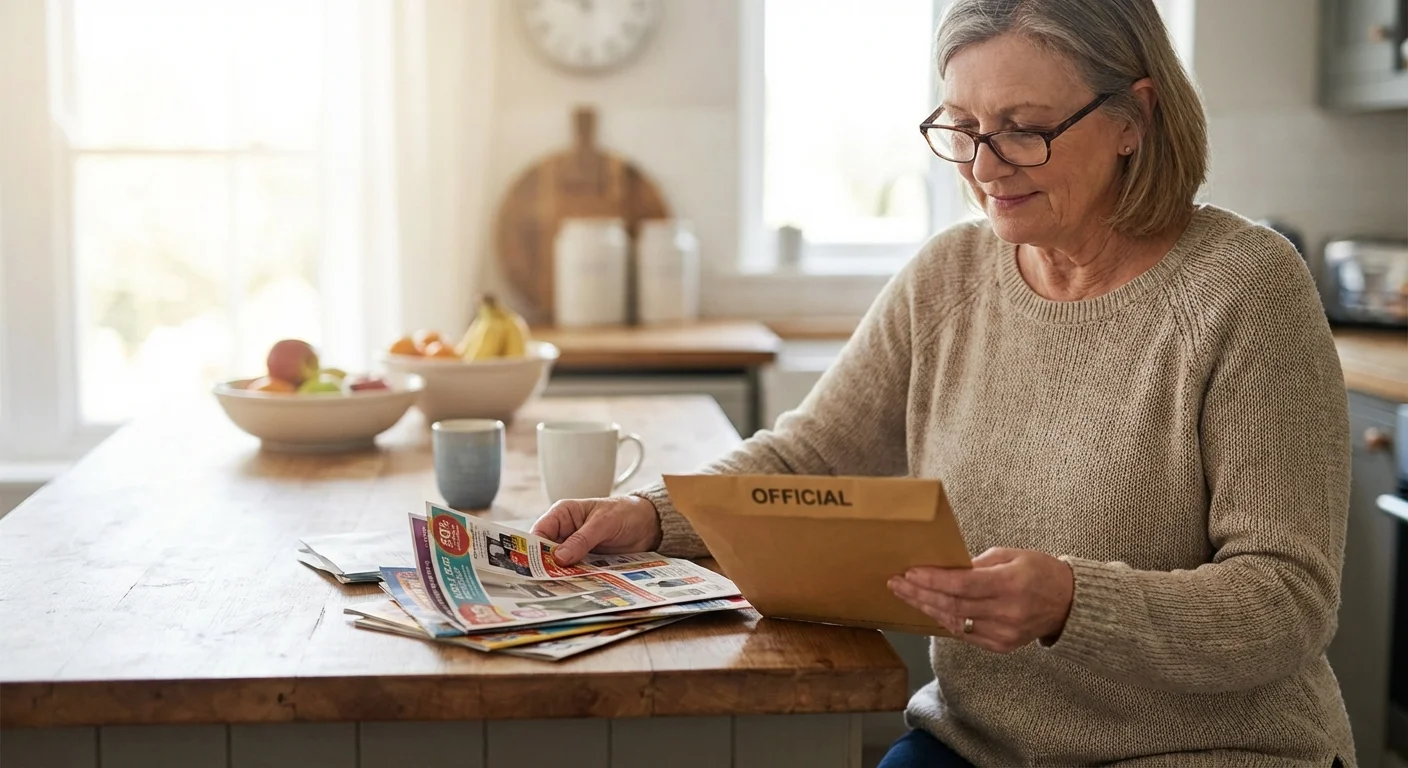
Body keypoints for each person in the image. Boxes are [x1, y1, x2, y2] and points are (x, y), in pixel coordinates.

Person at [531, 0, 1354, 764]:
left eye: (1024, 129)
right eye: (961, 126)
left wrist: (1074, 601)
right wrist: (651, 517)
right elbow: (812, 454)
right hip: (976, 744)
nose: (983, 166)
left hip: (1208, 752)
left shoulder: (1246, 289)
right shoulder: (950, 276)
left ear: (1133, 117)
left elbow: (1286, 599)